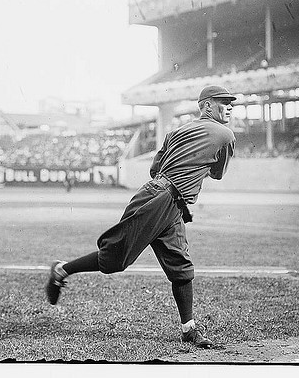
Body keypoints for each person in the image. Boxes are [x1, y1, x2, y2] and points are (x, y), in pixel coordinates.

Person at [45, 85, 237, 348]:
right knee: (115, 259)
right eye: (222, 102)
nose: (229, 107)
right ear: (206, 106)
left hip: (168, 200)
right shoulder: (225, 134)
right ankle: (61, 270)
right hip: (163, 200)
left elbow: (154, 168)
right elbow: (217, 173)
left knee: (181, 268)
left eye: (230, 104)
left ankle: (188, 329)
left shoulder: (176, 131)